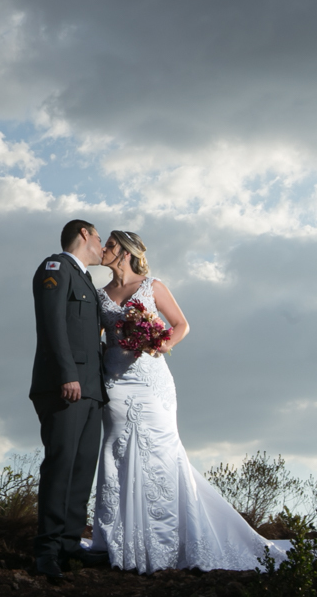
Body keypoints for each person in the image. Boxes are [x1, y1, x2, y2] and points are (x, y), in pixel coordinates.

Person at [87, 230, 291, 573]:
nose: (103, 250)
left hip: (151, 381)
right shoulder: (99, 295)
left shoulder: (152, 286)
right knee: (116, 451)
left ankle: (165, 542)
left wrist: (162, 343)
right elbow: (95, 336)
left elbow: (181, 325)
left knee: (161, 453)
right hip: (116, 383)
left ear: (125, 252)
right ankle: (119, 541)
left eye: (110, 245)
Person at [29, 219, 110, 579]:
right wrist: (67, 374)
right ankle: (46, 551)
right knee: (61, 465)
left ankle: (69, 545)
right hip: (65, 384)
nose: (103, 246)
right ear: (84, 234)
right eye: (99, 238)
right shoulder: (56, 268)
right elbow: (52, 324)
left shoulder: (86, 279)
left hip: (91, 388)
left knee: (82, 468)